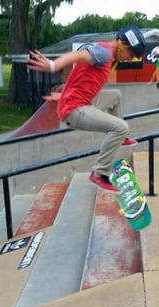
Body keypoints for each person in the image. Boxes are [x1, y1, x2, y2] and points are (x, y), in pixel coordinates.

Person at [27, 25, 146, 193]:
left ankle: (122, 138)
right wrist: (53, 66)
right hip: (75, 110)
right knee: (121, 127)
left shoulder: (107, 54)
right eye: (131, 54)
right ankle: (100, 173)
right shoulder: (104, 52)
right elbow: (78, 55)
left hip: (78, 101)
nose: (129, 59)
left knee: (116, 95)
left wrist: (62, 97)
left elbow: (79, 79)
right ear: (123, 44)